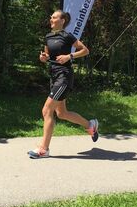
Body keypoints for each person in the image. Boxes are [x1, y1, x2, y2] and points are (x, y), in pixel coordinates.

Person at [28, 10, 99, 159]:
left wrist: (69, 56)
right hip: (54, 77)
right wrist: (43, 57)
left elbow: (85, 50)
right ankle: (90, 125)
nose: (51, 19)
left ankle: (43, 149)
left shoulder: (67, 36)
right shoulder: (48, 37)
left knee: (47, 110)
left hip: (64, 77)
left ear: (62, 20)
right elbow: (47, 57)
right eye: (51, 16)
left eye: (54, 17)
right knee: (62, 113)